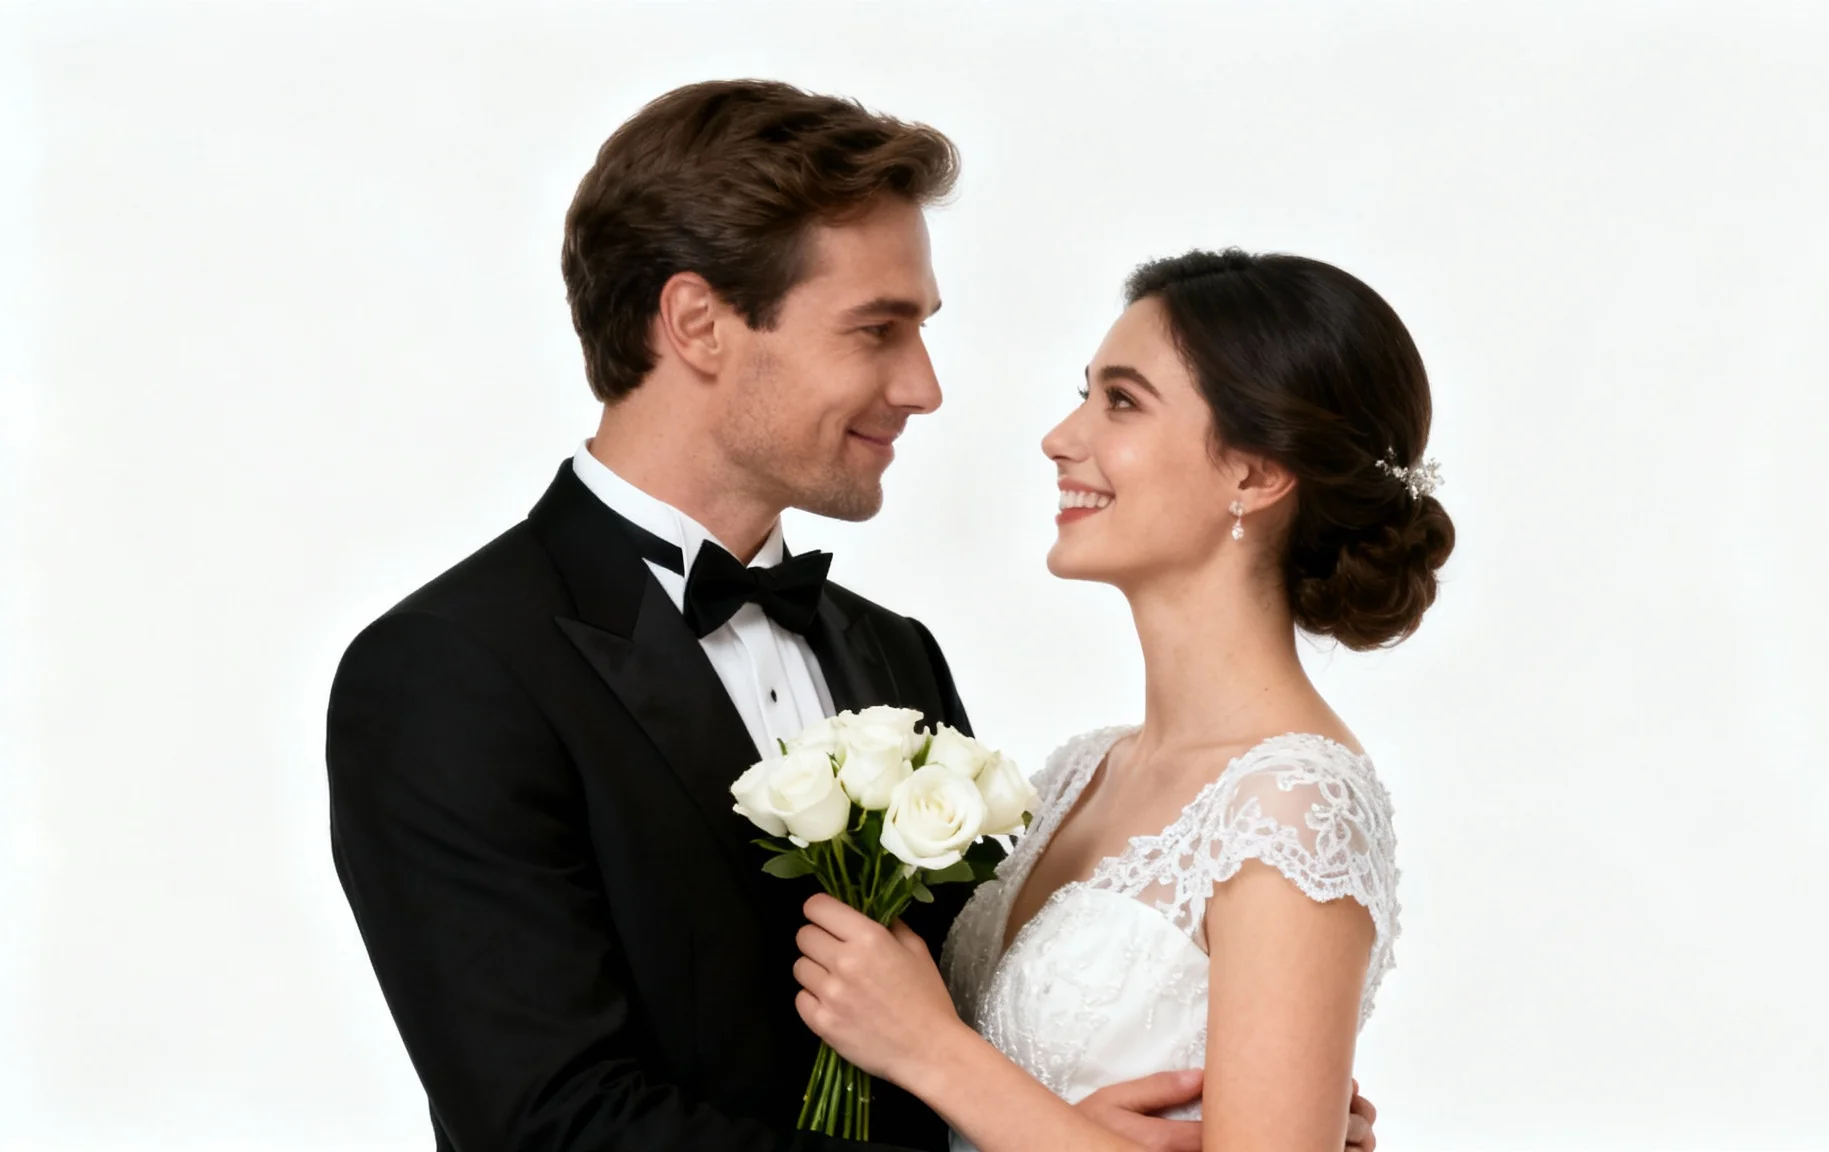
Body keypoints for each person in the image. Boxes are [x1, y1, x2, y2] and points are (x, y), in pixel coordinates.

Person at [326, 81, 1381, 1152]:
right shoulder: (448, 671)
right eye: (878, 330)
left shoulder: (892, 654)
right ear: (697, 324)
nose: (923, 387)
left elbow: (956, 1031)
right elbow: (554, 1129)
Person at [790, 249, 1453, 1152]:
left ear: (1255, 475)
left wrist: (931, 1050)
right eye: (1086, 393)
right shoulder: (1080, 771)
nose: (1063, 437)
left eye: (1123, 401)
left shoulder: (1296, 803)